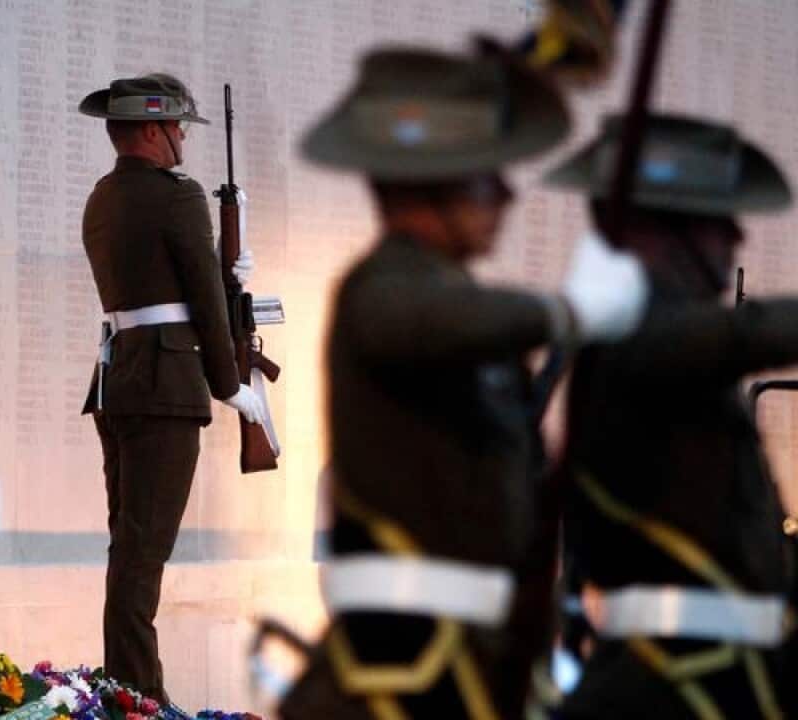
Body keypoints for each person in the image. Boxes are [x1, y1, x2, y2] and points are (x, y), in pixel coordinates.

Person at [277, 47, 649, 719]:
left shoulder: (463, 308)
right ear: (427, 187)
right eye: (487, 176)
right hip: (401, 680)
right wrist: (567, 311)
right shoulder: (380, 290)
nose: (507, 194)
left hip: (480, 667)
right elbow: (427, 319)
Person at [548, 113, 797, 719]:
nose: (738, 235)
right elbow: (750, 332)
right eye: (716, 222)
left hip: (726, 673)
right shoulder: (634, 333)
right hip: (669, 689)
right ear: (653, 231)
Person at [77, 72, 264, 703]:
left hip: (120, 381)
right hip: (165, 389)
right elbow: (205, 303)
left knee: (128, 551)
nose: (184, 136)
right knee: (143, 559)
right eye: (178, 124)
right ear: (152, 129)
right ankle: (135, 700)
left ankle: (132, 693)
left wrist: (223, 270)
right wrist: (231, 382)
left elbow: (161, 280)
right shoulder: (178, 197)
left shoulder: (103, 197)